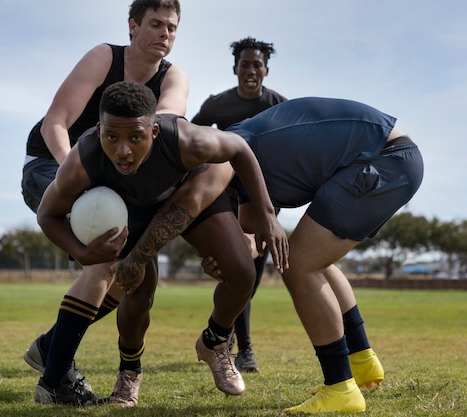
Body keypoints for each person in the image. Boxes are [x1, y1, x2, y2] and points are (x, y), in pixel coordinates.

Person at [33, 81, 288, 406]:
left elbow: (238, 148)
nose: (123, 150)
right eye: (112, 137)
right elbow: (47, 215)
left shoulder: (185, 141)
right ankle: (129, 374)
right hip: (133, 210)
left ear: (154, 131)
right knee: (138, 292)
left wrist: (267, 214)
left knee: (241, 272)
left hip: (191, 193)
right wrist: (84, 253)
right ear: (99, 130)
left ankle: (216, 340)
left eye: (135, 137)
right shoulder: (82, 161)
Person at [203, 96, 424, 414]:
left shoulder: (225, 154)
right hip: (388, 157)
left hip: (383, 157)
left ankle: (340, 389)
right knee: (308, 258)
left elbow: (202, 193)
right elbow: (253, 240)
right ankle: (361, 362)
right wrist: (224, 254)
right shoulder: (241, 175)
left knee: (299, 264)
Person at [20, 0, 193, 385]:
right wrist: (82, 177)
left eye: (171, 27)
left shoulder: (173, 78)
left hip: (112, 178)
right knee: (106, 252)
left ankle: (51, 346)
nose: (164, 33)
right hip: (53, 165)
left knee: (130, 270)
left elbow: (163, 130)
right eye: (155, 24)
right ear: (132, 26)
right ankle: (56, 378)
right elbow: (55, 124)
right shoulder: (104, 57)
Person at [190, 36, 287, 373]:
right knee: (238, 271)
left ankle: (226, 336)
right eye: (244, 64)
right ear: (235, 68)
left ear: (266, 69)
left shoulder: (279, 105)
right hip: (228, 201)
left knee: (252, 278)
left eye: (256, 65)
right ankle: (242, 349)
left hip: (265, 202)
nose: (250, 70)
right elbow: (193, 138)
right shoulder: (217, 105)